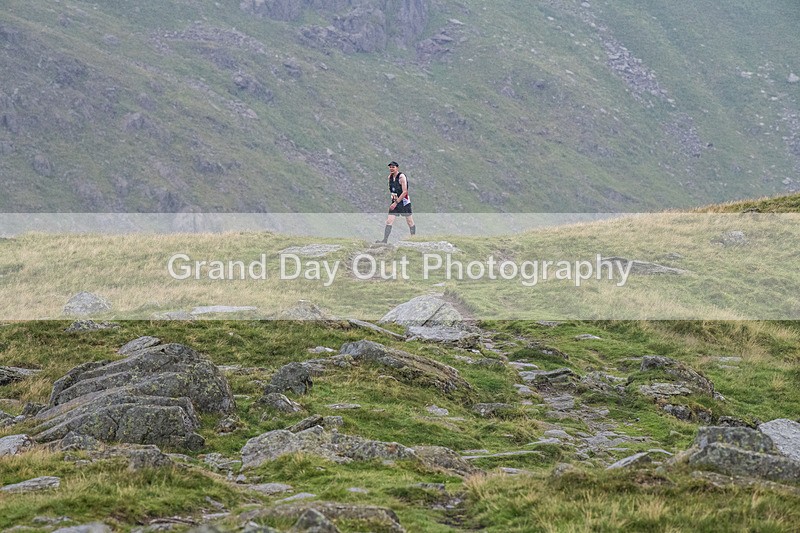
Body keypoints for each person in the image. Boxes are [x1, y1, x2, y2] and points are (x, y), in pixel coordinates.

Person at [379, 161, 415, 243]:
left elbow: (405, 191)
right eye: (390, 167)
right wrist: (394, 200)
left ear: (397, 168)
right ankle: (385, 240)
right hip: (395, 201)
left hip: (404, 202)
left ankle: (414, 238)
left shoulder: (401, 177)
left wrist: (396, 203)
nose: (391, 168)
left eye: (393, 167)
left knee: (409, 221)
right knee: (389, 221)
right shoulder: (390, 177)